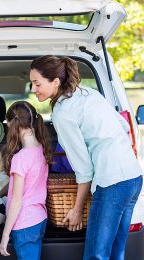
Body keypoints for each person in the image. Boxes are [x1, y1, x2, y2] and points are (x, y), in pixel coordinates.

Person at [30, 55, 143, 260]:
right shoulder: (88, 93)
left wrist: (76, 209)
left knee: (96, 256)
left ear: (55, 82)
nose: (33, 89)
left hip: (112, 183)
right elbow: (124, 126)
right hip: (133, 177)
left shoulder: (62, 113)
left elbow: (83, 169)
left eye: (37, 83)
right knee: (116, 253)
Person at [0, 101, 52, 259]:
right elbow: (23, 184)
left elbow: (16, 201)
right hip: (40, 217)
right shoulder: (41, 149)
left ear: (12, 123)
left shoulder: (20, 158)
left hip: (24, 224)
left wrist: (5, 234)